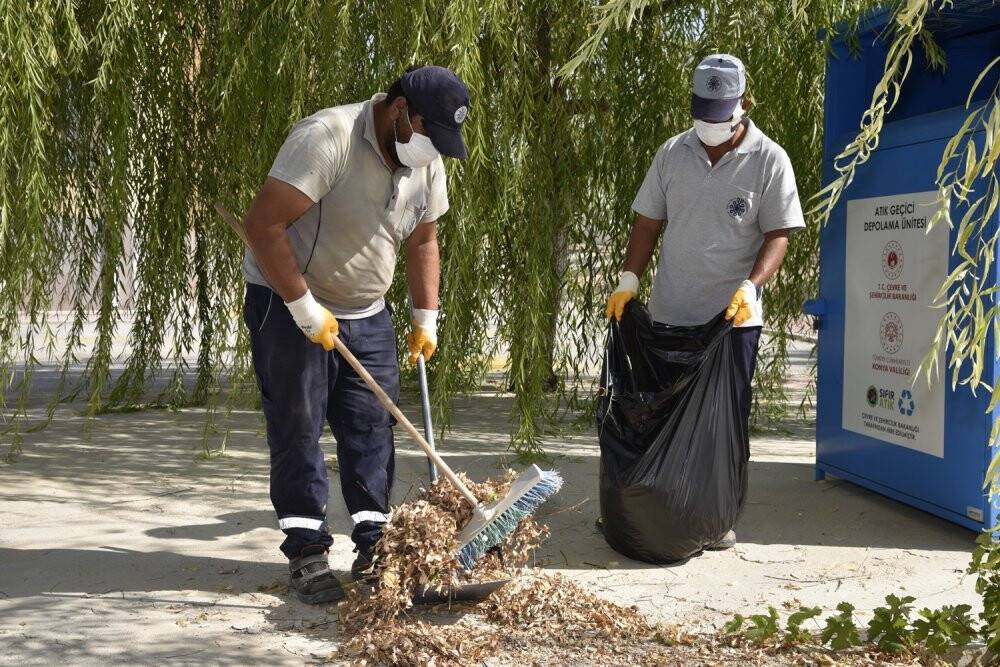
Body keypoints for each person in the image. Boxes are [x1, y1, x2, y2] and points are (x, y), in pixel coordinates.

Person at [241, 66, 470, 603]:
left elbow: (422, 243)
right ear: (399, 112)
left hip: (369, 311)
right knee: (298, 425)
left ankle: (373, 539)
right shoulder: (327, 139)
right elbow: (262, 225)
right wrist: (302, 307)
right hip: (290, 299)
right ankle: (307, 551)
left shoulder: (427, 159)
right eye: (429, 133)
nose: (433, 150)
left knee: (372, 428)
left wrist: (425, 316)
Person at [605, 54, 804, 550]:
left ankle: (715, 519)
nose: (709, 128)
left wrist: (751, 285)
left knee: (723, 424)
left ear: (744, 106)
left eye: (720, 117)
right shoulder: (672, 153)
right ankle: (650, 511)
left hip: (732, 321)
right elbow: (647, 222)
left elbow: (779, 234)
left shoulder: (769, 159)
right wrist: (630, 278)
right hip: (670, 316)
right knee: (656, 418)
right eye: (702, 116)